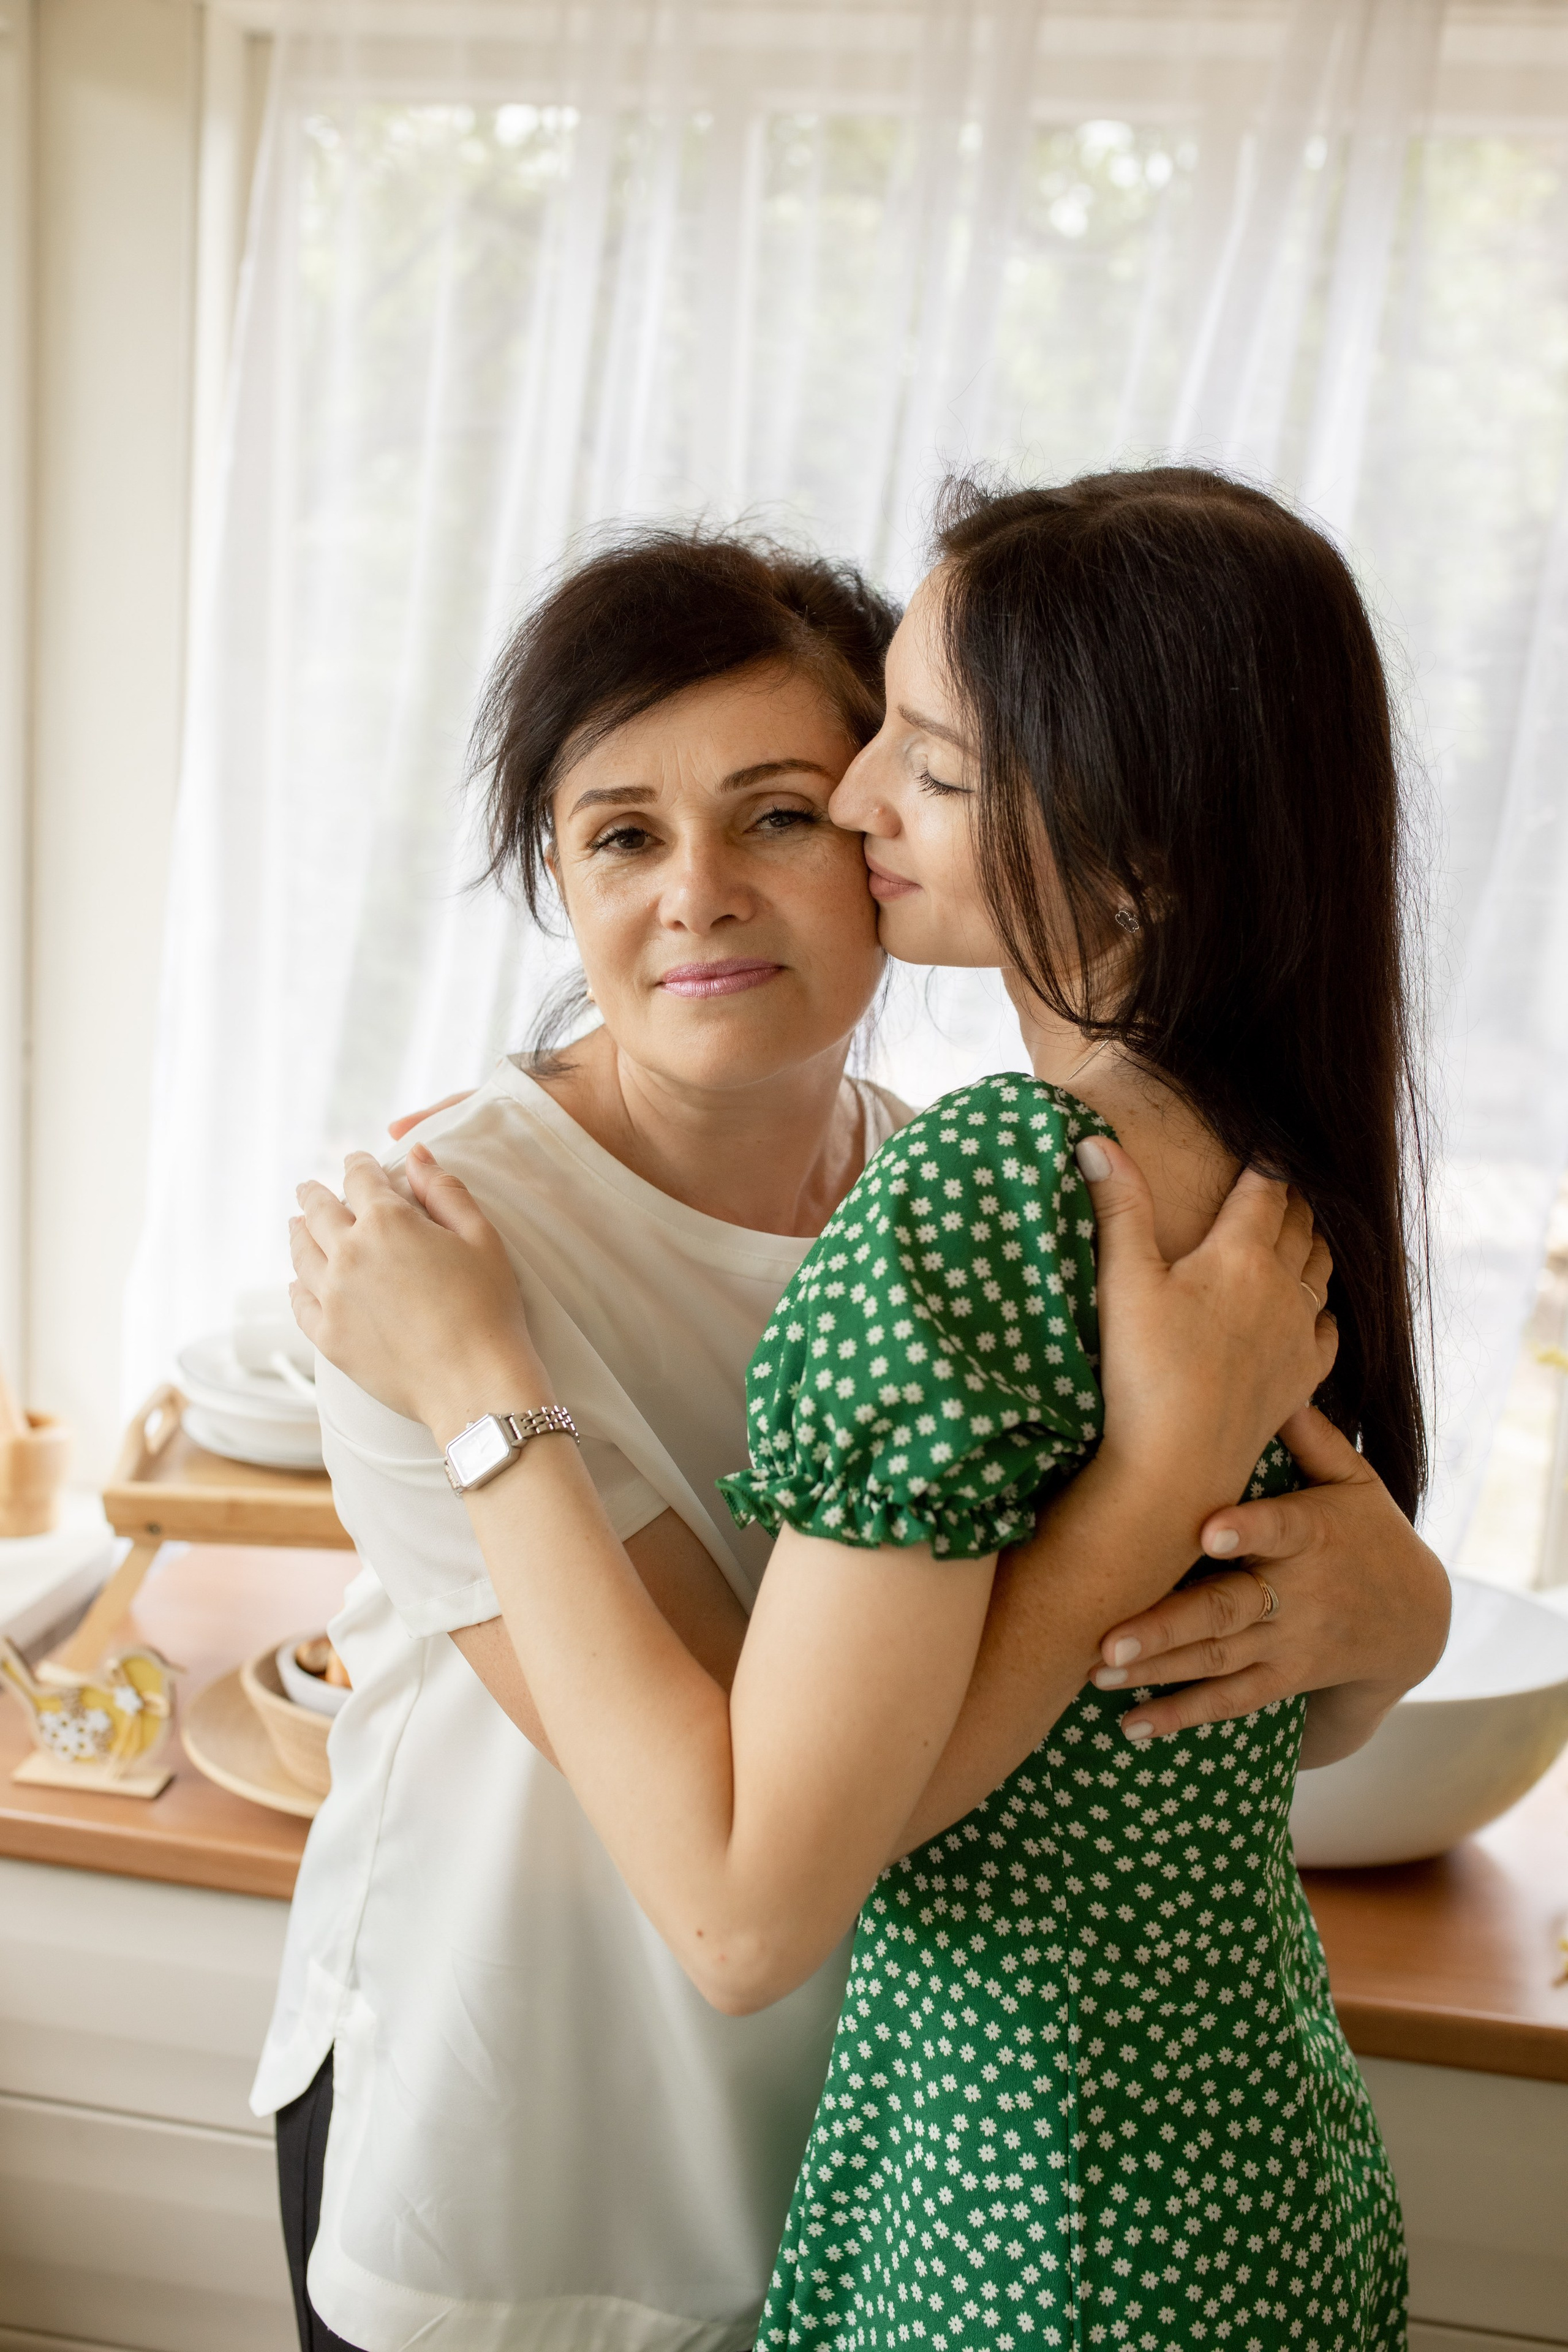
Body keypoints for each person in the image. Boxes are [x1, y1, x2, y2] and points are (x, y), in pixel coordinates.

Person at [283, 502, 1449, 2352]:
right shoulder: (436, 1263)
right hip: (535, 2172)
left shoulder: (985, 1191)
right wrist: (1147, 1500)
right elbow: (755, 1872)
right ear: (551, 876)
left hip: (914, 2179)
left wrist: (1391, 1620)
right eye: (620, 837)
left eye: (794, 805)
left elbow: (1142, 1725)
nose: (702, 894)